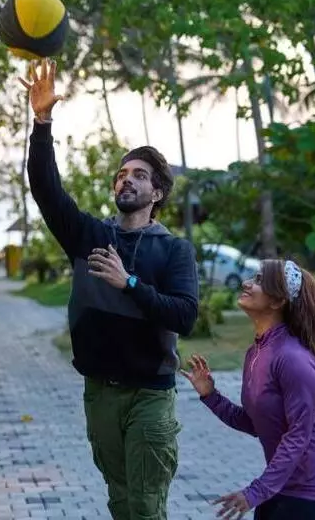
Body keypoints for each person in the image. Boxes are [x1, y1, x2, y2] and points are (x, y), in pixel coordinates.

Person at [18, 58, 199, 520]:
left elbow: (184, 317)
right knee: (121, 501)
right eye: (122, 174)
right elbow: (46, 190)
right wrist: (42, 123)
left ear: (156, 193)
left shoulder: (174, 251)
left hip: (150, 395)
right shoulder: (89, 236)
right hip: (99, 392)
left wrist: (130, 283)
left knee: (145, 504)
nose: (127, 180)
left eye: (139, 175)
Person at [181, 259, 315, 520]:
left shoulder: (294, 359)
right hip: (281, 485)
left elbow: (298, 435)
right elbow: (257, 423)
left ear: (277, 301)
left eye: (259, 280)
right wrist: (210, 396)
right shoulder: (257, 352)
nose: (247, 283)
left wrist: (254, 492)